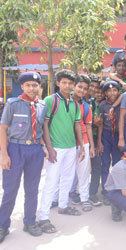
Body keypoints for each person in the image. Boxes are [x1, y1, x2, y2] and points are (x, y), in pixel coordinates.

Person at [0, 72, 48, 242]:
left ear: (39, 87)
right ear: (22, 86)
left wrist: (43, 146)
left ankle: (29, 222)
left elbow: (40, 129)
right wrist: (4, 155)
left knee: (32, 189)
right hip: (15, 149)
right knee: (10, 190)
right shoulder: (13, 104)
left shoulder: (42, 105)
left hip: (34, 150)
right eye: (28, 85)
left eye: (35, 85)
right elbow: (3, 129)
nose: (31, 88)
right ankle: (3, 225)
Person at [38, 69, 85, 233]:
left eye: (70, 83)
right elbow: (44, 124)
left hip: (71, 147)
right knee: (51, 181)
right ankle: (43, 217)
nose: (67, 85)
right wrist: (49, 148)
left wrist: (81, 147)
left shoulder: (75, 104)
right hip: (56, 147)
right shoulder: (50, 100)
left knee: (67, 178)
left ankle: (63, 206)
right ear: (58, 83)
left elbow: (77, 125)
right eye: (64, 82)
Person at [70, 75, 95, 212]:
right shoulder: (64, 103)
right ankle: (58, 198)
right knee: (64, 173)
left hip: (83, 143)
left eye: (85, 88)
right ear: (73, 86)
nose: (82, 90)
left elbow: (89, 127)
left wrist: (90, 146)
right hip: (67, 142)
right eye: (79, 87)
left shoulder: (86, 107)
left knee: (83, 172)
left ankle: (84, 198)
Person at [97, 81, 122, 204]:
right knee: (105, 164)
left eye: (115, 90)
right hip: (106, 135)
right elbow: (100, 124)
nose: (112, 93)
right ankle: (106, 191)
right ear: (106, 93)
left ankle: (116, 189)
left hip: (118, 135)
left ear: (118, 92)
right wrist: (99, 142)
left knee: (117, 164)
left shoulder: (122, 103)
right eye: (109, 91)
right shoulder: (102, 105)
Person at [89, 84, 104, 206]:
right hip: (83, 138)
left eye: (101, 92)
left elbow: (99, 125)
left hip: (95, 137)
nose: (98, 94)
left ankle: (92, 193)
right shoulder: (89, 103)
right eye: (96, 91)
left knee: (97, 167)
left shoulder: (102, 105)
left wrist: (98, 142)